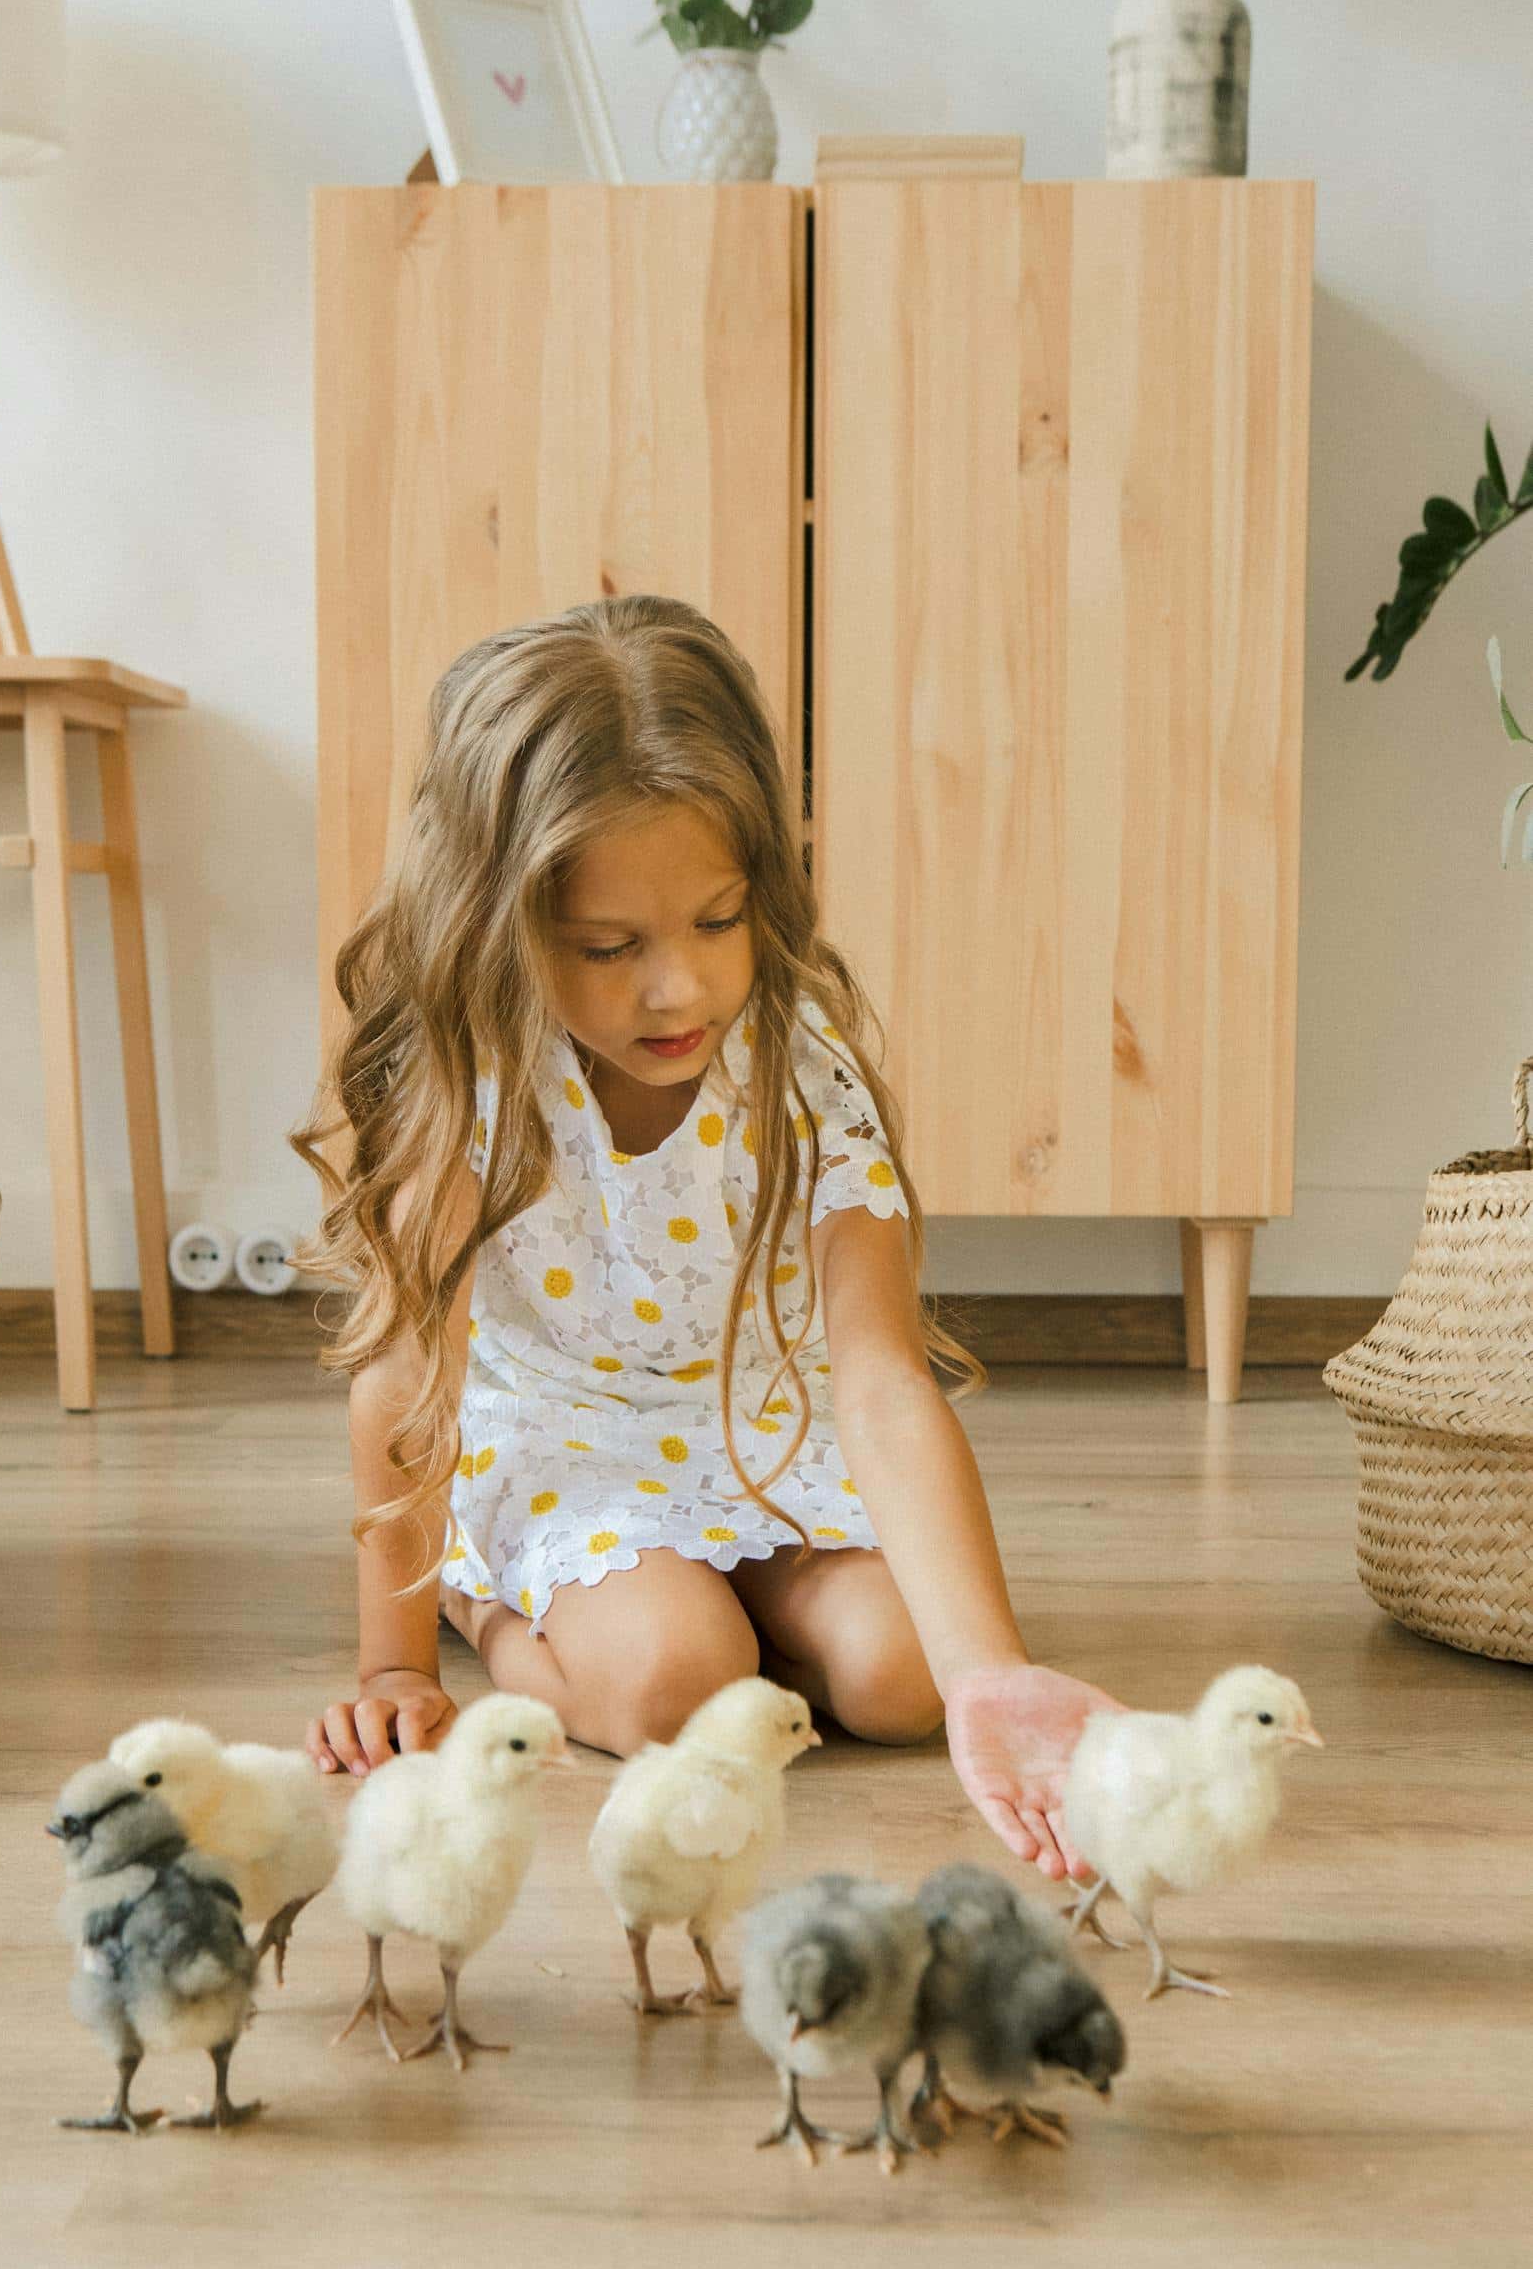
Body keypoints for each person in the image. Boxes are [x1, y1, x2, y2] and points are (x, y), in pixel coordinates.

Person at [292, 596, 1125, 1881]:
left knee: (908, 1683)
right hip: (566, 1439)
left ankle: (715, 1604)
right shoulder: (479, 1085)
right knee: (681, 1686)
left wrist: (992, 1675)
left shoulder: (802, 1070)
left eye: (719, 921)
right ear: (501, 924)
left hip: (762, 1425)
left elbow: (882, 1382)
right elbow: (404, 1377)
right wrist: (397, 1659)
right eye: (610, 947)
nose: (676, 988)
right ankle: (494, 1599)